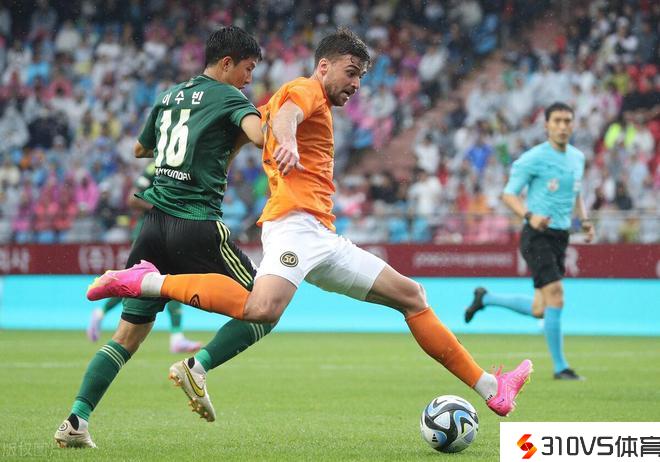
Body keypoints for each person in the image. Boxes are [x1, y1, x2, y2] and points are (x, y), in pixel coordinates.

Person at [88, 28, 533, 427]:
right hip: (293, 227)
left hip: (319, 234)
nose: (355, 84)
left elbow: (249, 129)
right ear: (323, 66)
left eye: (361, 77)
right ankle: (149, 284)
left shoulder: (277, 101)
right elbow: (286, 117)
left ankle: (492, 389)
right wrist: (287, 142)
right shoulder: (306, 90)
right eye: (350, 72)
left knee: (411, 296)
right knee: (262, 309)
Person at [55, 26, 275, 449]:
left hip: (153, 227)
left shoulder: (170, 95)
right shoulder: (229, 97)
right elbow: (260, 136)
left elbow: (141, 150)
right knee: (267, 308)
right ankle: (198, 366)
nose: (249, 79)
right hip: (196, 224)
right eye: (247, 69)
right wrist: (269, 117)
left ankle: (76, 420)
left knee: (126, 338)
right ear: (226, 63)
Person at [464, 102, 595, 381]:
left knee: (540, 308)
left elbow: (576, 193)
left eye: (567, 121)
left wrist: (584, 220)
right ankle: (561, 368)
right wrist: (530, 215)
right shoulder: (533, 158)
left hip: (560, 236)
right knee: (556, 294)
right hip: (536, 235)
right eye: (557, 121)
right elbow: (508, 194)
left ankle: (485, 298)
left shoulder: (577, 158)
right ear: (546, 125)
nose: (562, 126)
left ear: (573, 125)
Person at [86, 161, 202, 354]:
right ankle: (102, 312)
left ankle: (177, 336)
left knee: (172, 280)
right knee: (137, 284)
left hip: (167, 233)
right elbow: (133, 198)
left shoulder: (181, 163)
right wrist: (161, 208)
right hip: (150, 234)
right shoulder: (157, 166)